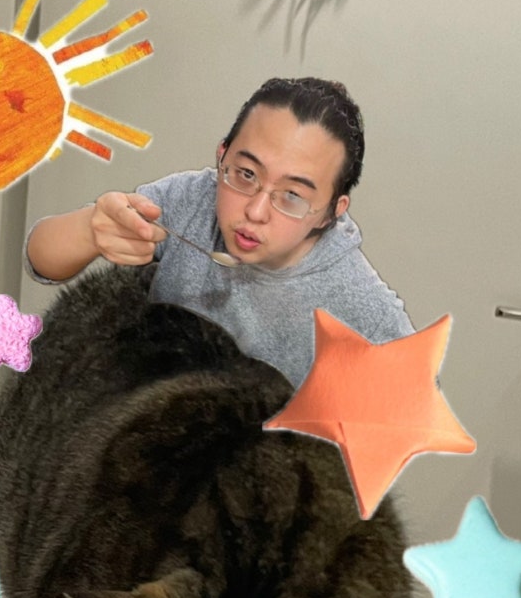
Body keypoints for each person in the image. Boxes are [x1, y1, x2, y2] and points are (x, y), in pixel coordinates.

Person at [24, 77, 414, 389]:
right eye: (245, 174)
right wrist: (91, 229)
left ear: (331, 212)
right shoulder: (190, 200)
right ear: (222, 153)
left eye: (292, 196)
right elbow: (39, 259)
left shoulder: (360, 302)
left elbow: (409, 401)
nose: (255, 211)